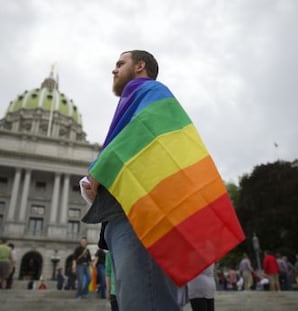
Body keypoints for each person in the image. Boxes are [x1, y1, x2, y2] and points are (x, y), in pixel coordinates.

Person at [80, 50, 182, 310]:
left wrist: (99, 169)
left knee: (144, 302)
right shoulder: (134, 98)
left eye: (120, 63)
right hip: (122, 217)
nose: (114, 70)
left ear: (139, 66)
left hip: (140, 217)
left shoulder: (152, 91)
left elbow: (143, 135)